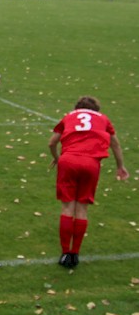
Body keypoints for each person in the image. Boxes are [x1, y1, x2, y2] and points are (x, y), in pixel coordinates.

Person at [48, 96, 128, 269]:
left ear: (77, 108)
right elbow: (115, 145)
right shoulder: (104, 119)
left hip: (68, 161)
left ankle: (64, 253)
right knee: (82, 208)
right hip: (91, 163)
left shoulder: (69, 116)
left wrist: (57, 158)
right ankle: (75, 254)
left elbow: (52, 142)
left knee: (67, 207)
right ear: (96, 110)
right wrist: (120, 166)